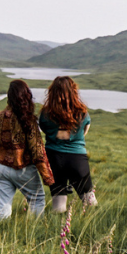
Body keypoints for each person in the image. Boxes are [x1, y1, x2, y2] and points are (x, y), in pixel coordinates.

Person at [0, 79, 54, 219]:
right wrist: (48, 178)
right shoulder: (28, 120)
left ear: (9, 97)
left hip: (0, 167)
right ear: (26, 96)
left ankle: (1, 235)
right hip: (23, 168)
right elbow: (38, 152)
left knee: (3, 204)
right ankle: (34, 233)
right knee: (37, 199)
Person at [39, 76, 97, 212]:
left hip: (53, 158)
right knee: (89, 200)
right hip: (77, 158)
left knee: (58, 201)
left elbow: (44, 130)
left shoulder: (45, 113)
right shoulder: (82, 112)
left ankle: (57, 230)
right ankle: (92, 227)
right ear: (73, 91)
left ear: (52, 92)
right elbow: (84, 132)